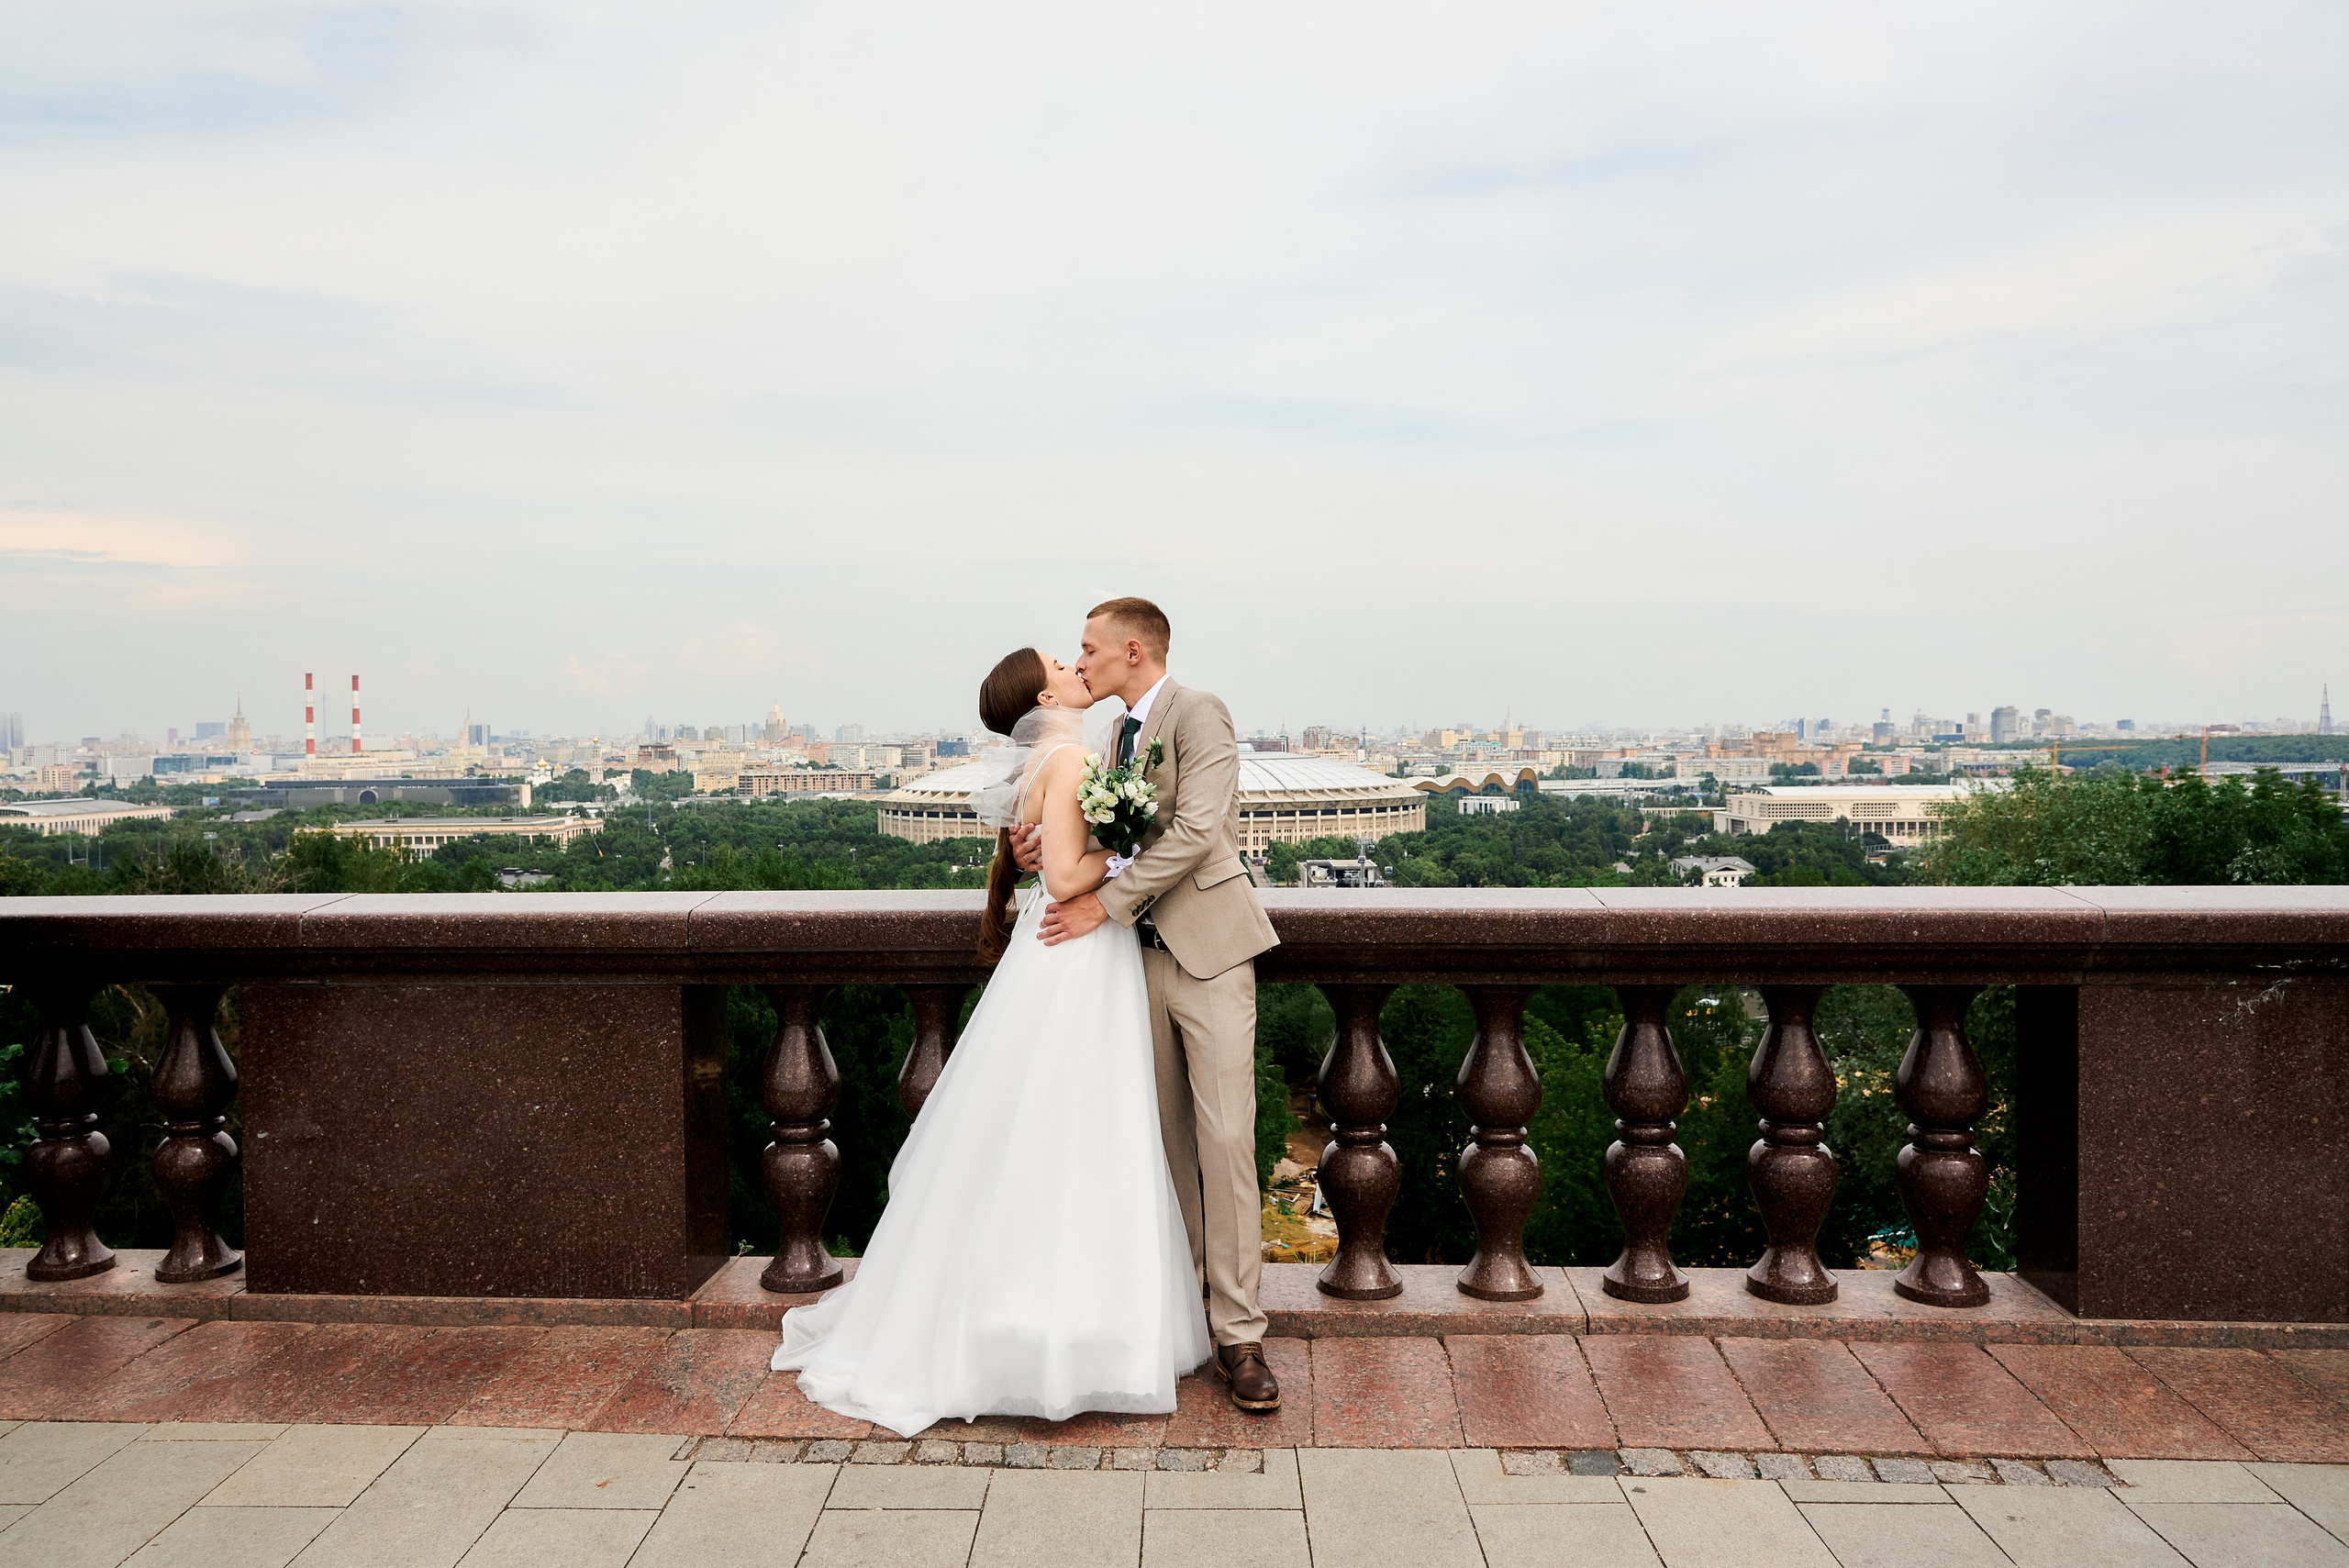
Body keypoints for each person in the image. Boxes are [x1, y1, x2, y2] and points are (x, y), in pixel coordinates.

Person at [771, 645, 1209, 1437]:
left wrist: (1062, 853)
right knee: (1085, 1129)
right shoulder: (1073, 754)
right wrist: (1137, 846)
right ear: (1047, 692)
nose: (1080, 666)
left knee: (1035, 1131)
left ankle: (1015, 1316)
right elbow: (1072, 879)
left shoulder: (1050, 755)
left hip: (1051, 957)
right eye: (1064, 662)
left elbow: (1048, 858)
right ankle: (1078, 1329)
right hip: (1077, 950)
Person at [1019, 596, 1283, 1412]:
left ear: (1132, 650)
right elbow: (1110, 839)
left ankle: (1241, 1336)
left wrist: (1107, 901)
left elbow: (1200, 829)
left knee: (1226, 1142)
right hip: (1134, 966)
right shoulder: (1108, 739)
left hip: (1206, 955)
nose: (1081, 661)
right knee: (1168, 1146)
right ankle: (1191, 1313)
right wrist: (1047, 847)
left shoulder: (1198, 712)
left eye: (1089, 649)